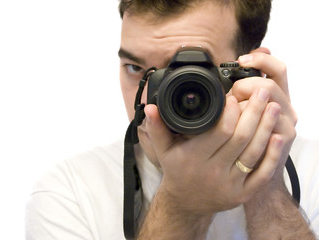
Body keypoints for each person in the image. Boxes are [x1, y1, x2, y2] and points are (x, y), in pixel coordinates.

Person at [25, 0, 319, 239]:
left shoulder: (313, 173)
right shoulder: (70, 192)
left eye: (185, 72)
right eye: (135, 68)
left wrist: (266, 188)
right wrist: (182, 206)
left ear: (250, 70)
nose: (148, 102)